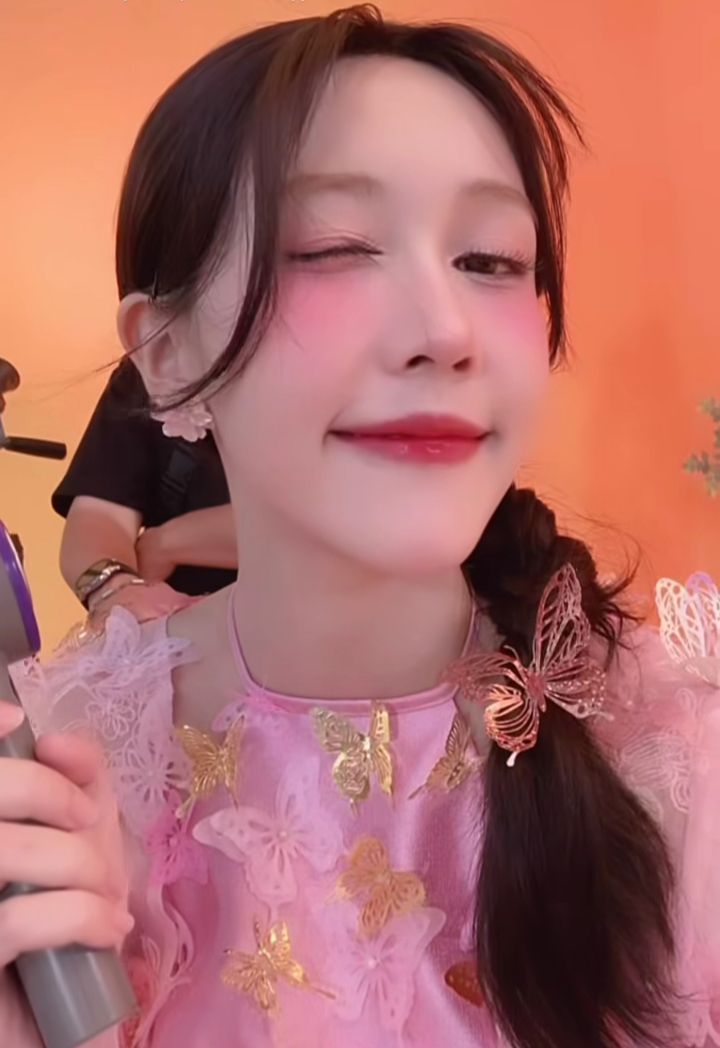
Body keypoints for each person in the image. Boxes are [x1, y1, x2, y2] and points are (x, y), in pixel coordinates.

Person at [3, 6, 719, 1047]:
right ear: (164, 354)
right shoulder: (70, 763)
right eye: (335, 247)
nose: (445, 329)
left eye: (491, 260)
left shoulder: (684, 751)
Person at [54, 357, 237, 623]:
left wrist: (168, 542)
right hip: (179, 627)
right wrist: (114, 589)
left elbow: (296, 526)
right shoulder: (150, 369)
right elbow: (100, 513)